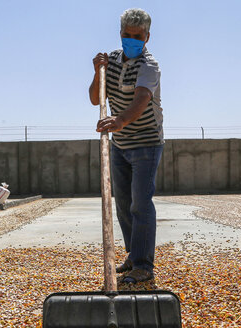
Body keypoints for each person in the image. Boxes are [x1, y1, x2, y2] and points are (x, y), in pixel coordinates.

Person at [89, 8, 163, 283]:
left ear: (147, 37)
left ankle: (144, 266)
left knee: (140, 204)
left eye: (137, 36)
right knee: (123, 204)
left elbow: (141, 100)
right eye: (127, 35)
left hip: (146, 142)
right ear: (120, 34)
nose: (131, 39)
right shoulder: (112, 61)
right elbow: (97, 99)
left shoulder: (149, 66)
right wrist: (98, 72)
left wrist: (119, 121)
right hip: (120, 144)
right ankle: (133, 255)